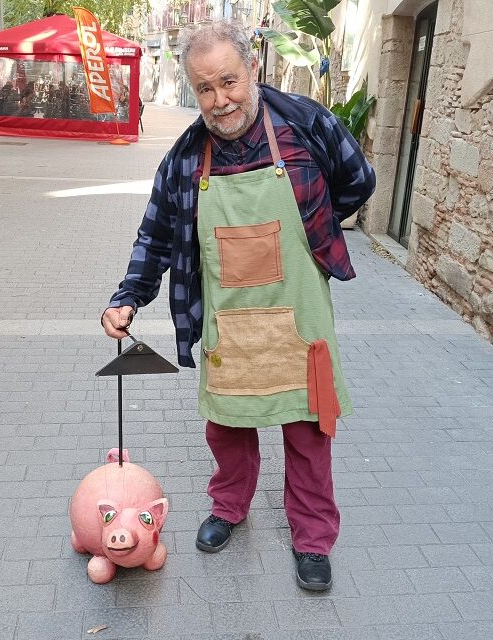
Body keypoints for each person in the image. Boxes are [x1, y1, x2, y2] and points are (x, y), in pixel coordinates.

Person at [100, 20, 375, 592]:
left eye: (229, 81)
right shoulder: (183, 161)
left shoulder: (306, 124)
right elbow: (154, 238)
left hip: (298, 317)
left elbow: (357, 181)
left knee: (308, 433)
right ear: (193, 91)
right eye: (205, 88)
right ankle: (229, 507)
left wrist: (319, 230)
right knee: (226, 429)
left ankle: (313, 538)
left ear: (252, 71)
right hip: (227, 321)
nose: (220, 99)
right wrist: (128, 297)